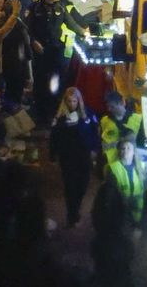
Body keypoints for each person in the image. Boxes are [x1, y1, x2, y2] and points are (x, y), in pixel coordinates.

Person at [27, 0, 86, 120]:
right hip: (40, 49)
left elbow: (71, 24)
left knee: (56, 80)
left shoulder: (60, 8)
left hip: (55, 49)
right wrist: (33, 41)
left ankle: (54, 111)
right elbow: (28, 28)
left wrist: (84, 32)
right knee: (40, 81)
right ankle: (40, 112)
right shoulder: (34, 8)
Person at [49, 87, 100, 227]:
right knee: (70, 186)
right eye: (69, 101)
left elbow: (94, 132)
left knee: (82, 185)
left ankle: (75, 208)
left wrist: (95, 149)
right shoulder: (60, 117)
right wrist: (52, 155)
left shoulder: (87, 114)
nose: (72, 104)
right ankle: (72, 214)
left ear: (79, 100)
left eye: (74, 101)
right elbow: (54, 137)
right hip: (68, 157)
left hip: (83, 156)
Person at [99, 91, 144, 167]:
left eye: (112, 107)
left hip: (132, 164)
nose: (109, 109)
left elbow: (142, 144)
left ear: (122, 103)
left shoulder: (138, 119)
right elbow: (101, 143)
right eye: (108, 107)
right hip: (111, 165)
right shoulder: (104, 121)